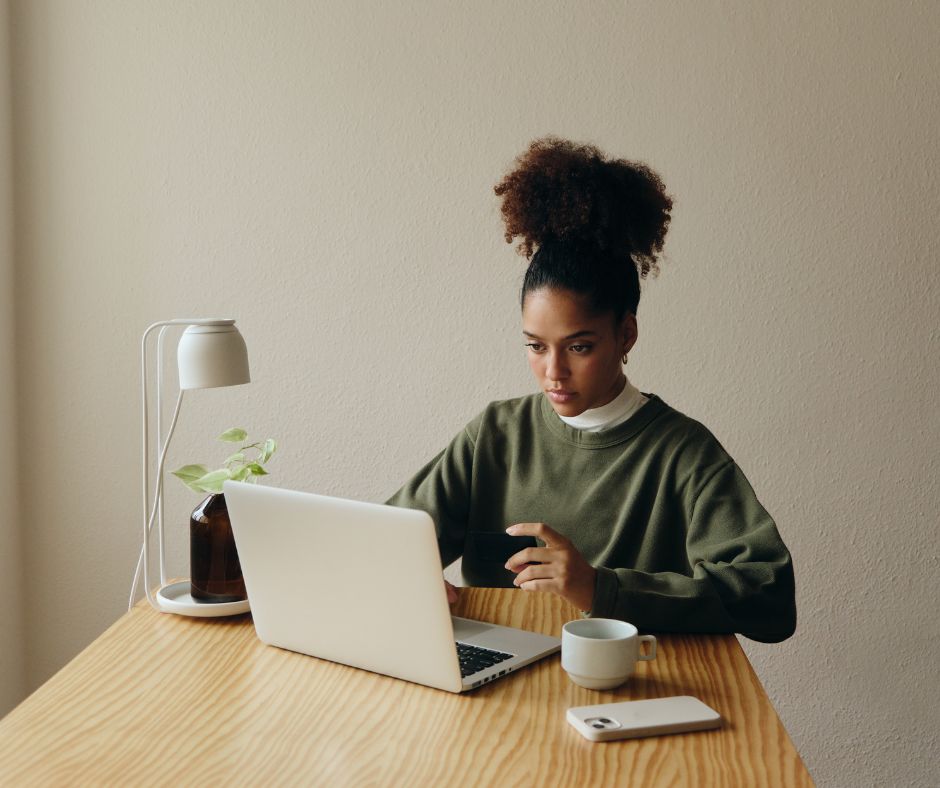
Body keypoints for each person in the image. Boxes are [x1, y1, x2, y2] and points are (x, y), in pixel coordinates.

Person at [386, 137, 796, 643]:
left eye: (578, 347)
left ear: (625, 334)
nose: (553, 372)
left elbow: (768, 595)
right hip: (493, 677)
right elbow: (389, 539)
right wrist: (410, 576)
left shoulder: (682, 454)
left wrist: (600, 588)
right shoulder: (495, 434)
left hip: (627, 685)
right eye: (536, 347)